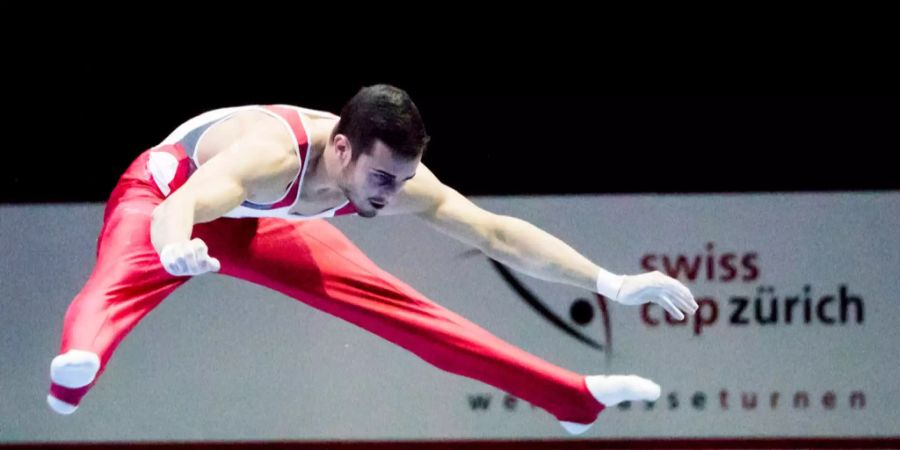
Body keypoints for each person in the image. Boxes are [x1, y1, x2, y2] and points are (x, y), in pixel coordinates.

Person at [48, 84, 697, 435]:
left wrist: (613, 283)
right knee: (116, 279)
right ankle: (72, 373)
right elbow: (180, 208)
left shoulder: (396, 176)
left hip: (262, 223)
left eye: (401, 179)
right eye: (381, 179)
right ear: (340, 150)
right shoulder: (269, 156)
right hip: (169, 198)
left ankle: (572, 401)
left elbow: (497, 233)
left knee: (403, 311)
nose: (392, 196)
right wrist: (175, 249)